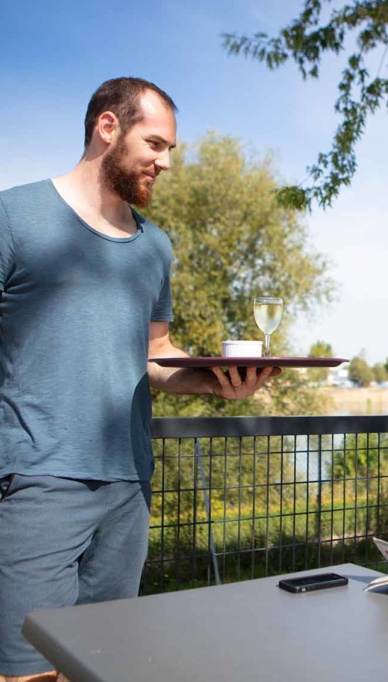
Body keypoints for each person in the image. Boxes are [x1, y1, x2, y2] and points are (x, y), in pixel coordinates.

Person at [0, 77, 279, 682]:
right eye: (156, 144)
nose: (167, 162)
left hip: (129, 487)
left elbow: (155, 356)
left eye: (170, 149)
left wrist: (216, 382)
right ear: (108, 128)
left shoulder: (157, 249)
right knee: (28, 672)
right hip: (36, 483)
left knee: (101, 665)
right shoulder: (13, 217)